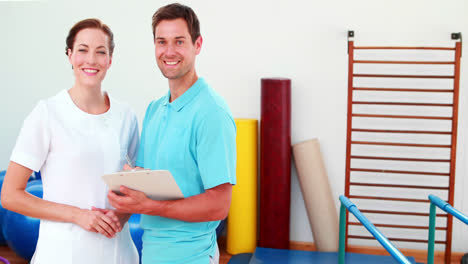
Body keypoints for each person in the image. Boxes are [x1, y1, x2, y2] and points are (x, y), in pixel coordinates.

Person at [1, 18, 139, 264]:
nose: (91, 60)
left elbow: (137, 184)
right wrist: (78, 215)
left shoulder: (125, 115)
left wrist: (123, 214)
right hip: (62, 254)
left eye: (101, 52)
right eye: (82, 50)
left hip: (118, 254)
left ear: (110, 60)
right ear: (69, 55)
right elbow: (10, 194)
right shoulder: (47, 113)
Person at [107, 3, 236, 264]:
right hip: (153, 252)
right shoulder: (155, 109)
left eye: (179, 41)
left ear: (197, 45)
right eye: (161, 41)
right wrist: (118, 214)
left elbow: (219, 205)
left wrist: (149, 207)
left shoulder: (211, 112)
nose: (169, 51)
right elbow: (146, 180)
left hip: (192, 256)